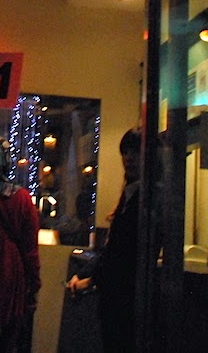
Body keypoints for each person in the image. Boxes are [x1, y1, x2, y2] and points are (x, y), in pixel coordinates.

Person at [66, 128, 142, 353]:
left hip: (125, 300)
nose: (128, 157)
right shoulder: (130, 194)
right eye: (125, 152)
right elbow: (112, 249)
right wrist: (85, 274)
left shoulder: (143, 198)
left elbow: (122, 252)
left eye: (135, 151)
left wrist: (90, 280)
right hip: (117, 299)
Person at [0, 137, 41, 353]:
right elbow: (30, 249)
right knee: (7, 339)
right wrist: (34, 284)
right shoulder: (21, 197)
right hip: (10, 271)